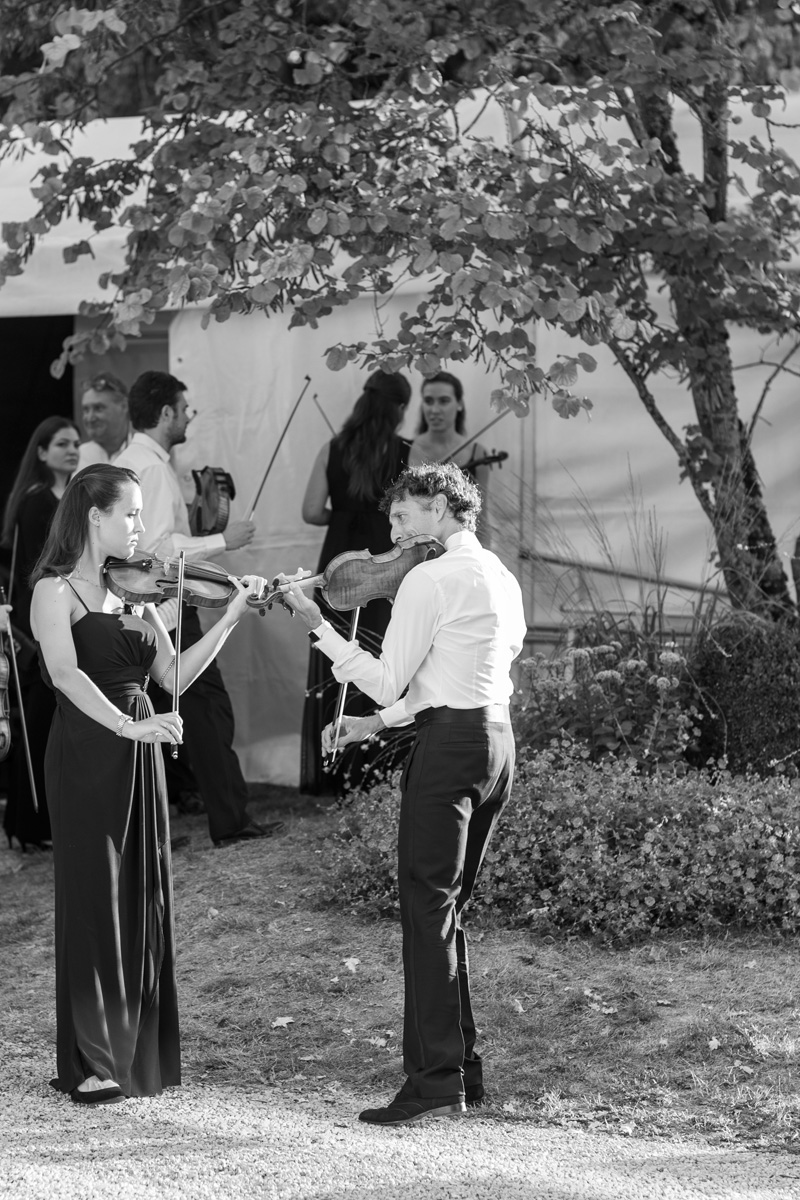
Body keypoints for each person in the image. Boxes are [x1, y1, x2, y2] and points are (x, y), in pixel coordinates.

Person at [281, 462, 527, 1126]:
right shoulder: (500, 575)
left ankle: (435, 1084)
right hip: (496, 745)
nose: (392, 533)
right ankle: (463, 1074)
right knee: (447, 911)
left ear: (441, 506)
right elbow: (457, 674)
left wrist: (317, 623)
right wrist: (374, 723)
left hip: (448, 752)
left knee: (427, 912)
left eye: (402, 516)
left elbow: (389, 678)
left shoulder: (429, 577)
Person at [30, 463, 269, 1102]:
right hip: (89, 750)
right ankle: (90, 1058)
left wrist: (231, 616)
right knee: (94, 897)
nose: (140, 526)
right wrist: (126, 725)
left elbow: (174, 678)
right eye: (131, 513)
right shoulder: (55, 591)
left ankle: (130, 1050)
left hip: (140, 752)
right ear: (95, 517)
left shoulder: (135, 593)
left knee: (140, 894)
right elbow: (64, 675)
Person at [114, 371, 276, 848]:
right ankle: (230, 821)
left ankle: (159, 826)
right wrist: (225, 539)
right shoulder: (149, 468)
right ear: (166, 413)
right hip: (162, 607)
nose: (189, 416)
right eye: (185, 409)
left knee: (162, 710)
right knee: (208, 710)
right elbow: (158, 549)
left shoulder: (133, 461)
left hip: (148, 607)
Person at [300, 370, 412, 795]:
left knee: (335, 647)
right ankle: (375, 767)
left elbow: (312, 511)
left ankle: (332, 766)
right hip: (384, 563)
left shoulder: (333, 447)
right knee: (380, 652)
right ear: (399, 408)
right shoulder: (406, 452)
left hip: (339, 562)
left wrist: (346, 516)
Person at [1, 417, 82, 850]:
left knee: (40, 725)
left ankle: (25, 826)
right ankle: (28, 827)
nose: (72, 450)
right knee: (37, 728)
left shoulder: (60, 497)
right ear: (42, 451)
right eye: (62, 444)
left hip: (49, 621)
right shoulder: (38, 501)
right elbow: (37, 572)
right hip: (39, 627)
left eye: (76, 443)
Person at [408, 372, 492, 541]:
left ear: (459, 404)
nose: (434, 410)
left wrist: (484, 552)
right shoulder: (405, 449)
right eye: (428, 401)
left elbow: (481, 517)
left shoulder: (477, 453)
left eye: (444, 401)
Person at [76, 373, 133, 469]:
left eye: (98, 408)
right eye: (86, 410)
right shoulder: (76, 458)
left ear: (124, 406)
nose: (90, 418)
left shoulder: (144, 456)